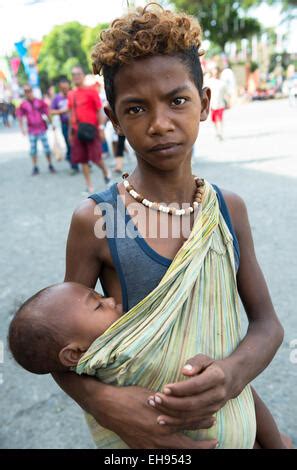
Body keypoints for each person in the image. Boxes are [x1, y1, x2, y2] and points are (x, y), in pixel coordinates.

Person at [51, 4, 286, 449]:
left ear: (205, 104)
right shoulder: (98, 220)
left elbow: (267, 326)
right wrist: (106, 404)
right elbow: (60, 347)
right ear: (114, 120)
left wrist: (231, 374)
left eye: (178, 100)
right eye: (136, 109)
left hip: (230, 420)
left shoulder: (227, 210)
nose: (160, 124)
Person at [8, 282, 288, 449]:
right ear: (73, 355)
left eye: (100, 295)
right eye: (97, 305)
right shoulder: (116, 359)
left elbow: (268, 325)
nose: (111, 300)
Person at [68, 66, 111, 193]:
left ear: (82, 75)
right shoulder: (71, 94)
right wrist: (70, 131)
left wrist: (101, 127)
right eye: (73, 74)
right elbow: (71, 113)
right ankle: (89, 186)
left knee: (96, 157)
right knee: (82, 159)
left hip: (91, 129)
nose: (76, 76)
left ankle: (106, 172)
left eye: (78, 74)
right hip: (77, 130)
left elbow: (100, 110)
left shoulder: (91, 91)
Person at [17, 85, 56, 175]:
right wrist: (22, 128)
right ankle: (35, 167)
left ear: (32, 91)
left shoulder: (39, 102)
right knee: (33, 150)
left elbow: (47, 112)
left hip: (42, 128)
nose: (28, 93)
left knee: (47, 149)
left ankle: (50, 164)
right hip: (31, 130)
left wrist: (51, 124)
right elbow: (20, 116)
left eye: (29, 91)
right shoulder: (23, 104)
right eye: (26, 92)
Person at [50, 78, 79, 174]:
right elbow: (51, 111)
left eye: (66, 88)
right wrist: (64, 111)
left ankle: (83, 162)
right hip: (65, 125)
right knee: (69, 144)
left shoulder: (74, 94)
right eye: (63, 88)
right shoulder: (57, 98)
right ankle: (74, 166)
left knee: (79, 143)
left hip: (77, 123)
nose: (65, 90)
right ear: (60, 88)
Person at [206, 67, 228, 141]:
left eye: (216, 72)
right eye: (213, 72)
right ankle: (217, 132)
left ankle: (220, 132)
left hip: (220, 104)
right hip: (212, 104)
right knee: (214, 120)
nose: (215, 74)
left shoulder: (222, 83)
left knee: (220, 119)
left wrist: (228, 101)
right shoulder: (209, 82)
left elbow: (225, 93)